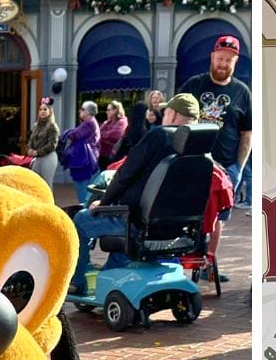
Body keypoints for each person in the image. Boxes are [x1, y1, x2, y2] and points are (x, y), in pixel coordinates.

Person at [70, 93, 200, 283]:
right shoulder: (201, 145)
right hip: (179, 228)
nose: (163, 115)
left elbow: (125, 174)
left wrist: (103, 203)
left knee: (80, 220)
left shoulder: (160, 136)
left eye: (166, 112)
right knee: (123, 242)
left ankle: (76, 281)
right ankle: (110, 278)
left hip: (137, 222)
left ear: (172, 114)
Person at [177, 34, 252, 194]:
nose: (223, 64)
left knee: (221, 211)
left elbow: (247, 133)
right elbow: (175, 121)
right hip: (193, 164)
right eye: (220, 58)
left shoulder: (243, 92)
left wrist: (238, 168)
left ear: (236, 61)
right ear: (212, 57)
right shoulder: (193, 85)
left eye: (229, 60)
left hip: (227, 169)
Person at [61, 101, 103, 207]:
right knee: (88, 190)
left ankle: (85, 211)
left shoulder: (89, 123)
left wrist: (68, 132)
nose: (80, 111)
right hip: (89, 161)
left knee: (83, 192)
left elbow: (74, 135)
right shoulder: (91, 122)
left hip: (85, 162)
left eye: (83, 109)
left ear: (89, 112)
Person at [27, 97, 60, 191]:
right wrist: (29, 149)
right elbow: (31, 140)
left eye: (45, 109)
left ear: (50, 111)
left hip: (48, 157)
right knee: (35, 183)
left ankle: (49, 200)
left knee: (46, 185)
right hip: (37, 158)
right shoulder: (36, 126)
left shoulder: (52, 126)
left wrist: (37, 152)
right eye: (40, 109)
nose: (42, 111)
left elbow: (52, 145)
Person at [97, 100, 127, 166]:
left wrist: (103, 134)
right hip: (102, 154)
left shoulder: (122, 122)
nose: (106, 112)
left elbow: (116, 135)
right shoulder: (108, 122)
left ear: (115, 110)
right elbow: (99, 133)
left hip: (113, 155)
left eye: (108, 110)